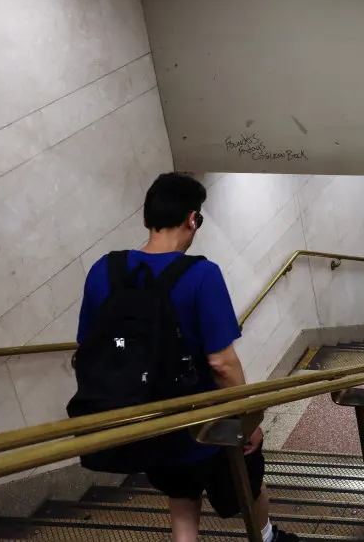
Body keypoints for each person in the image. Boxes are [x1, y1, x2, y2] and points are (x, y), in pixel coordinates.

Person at [76, 173, 299, 542]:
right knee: (250, 487)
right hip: (206, 426)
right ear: (192, 219)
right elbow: (221, 364)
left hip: (149, 425)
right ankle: (267, 537)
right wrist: (248, 420)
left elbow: (87, 348)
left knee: (181, 502)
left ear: (146, 219)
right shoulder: (201, 275)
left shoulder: (104, 270)